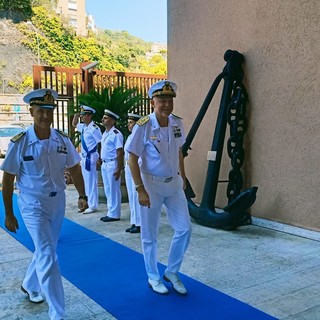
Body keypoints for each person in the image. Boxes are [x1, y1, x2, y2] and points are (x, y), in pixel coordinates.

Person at [1, 88, 88, 320]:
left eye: (49, 111)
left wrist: (82, 195)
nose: (46, 117)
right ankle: (57, 313)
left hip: (57, 202)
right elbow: (8, 179)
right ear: (31, 111)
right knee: (49, 254)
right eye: (41, 111)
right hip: (32, 204)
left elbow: (75, 167)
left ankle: (30, 284)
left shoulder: (62, 140)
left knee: (45, 249)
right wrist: (9, 213)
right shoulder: (20, 143)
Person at [126, 80, 192, 295]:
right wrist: (140, 189)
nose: (166, 104)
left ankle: (172, 271)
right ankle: (153, 277)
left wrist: (183, 176)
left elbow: (179, 151)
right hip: (150, 184)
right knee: (149, 234)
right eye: (162, 100)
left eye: (169, 100)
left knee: (184, 229)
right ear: (152, 101)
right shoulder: (143, 126)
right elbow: (132, 158)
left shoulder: (177, 123)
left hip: (173, 184)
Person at [72, 105, 102, 214]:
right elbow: (74, 124)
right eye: (81, 115)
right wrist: (75, 116)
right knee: (86, 181)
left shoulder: (94, 128)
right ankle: (88, 203)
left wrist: (99, 157)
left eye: (83, 115)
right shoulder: (84, 127)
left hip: (91, 156)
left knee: (91, 182)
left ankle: (93, 205)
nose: (82, 117)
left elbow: (100, 142)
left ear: (89, 116)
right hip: (84, 157)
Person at [99, 109, 124, 222]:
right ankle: (110, 211)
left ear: (112, 121)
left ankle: (115, 214)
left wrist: (119, 168)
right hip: (105, 163)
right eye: (103, 117)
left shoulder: (116, 134)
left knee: (113, 189)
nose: (103, 119)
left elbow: (119, 152)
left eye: (106, 118)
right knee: (108, 189)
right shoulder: (105, 133)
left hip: (112, 163)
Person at [124, 112, 142, 233]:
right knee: (131, 195)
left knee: (137, 196)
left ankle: (140, 223)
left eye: (131, 123)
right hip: (128, 167)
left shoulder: (139, 137)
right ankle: (134, 221)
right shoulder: (130, 137)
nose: (128, 125)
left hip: (137, 168)